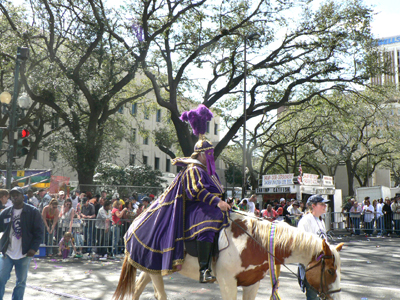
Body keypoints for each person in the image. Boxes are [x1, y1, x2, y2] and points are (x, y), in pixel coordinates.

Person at [124, 104, 230, 283]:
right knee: (209, 222)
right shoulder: (193, 169)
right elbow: (195, 190)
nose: (212, 155)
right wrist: (216, 202)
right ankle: (204, 269)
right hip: (196, 208)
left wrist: (223, 201)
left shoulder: (209, 172)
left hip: (209, 205)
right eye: (209, 153)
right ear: (202, 154)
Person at [0, 186, 44, 299]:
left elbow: (39, 232)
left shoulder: (32, 212)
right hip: (7, 253)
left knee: (20, 282)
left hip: (24, 253)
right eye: (13, 195)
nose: (15, 197)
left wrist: (33, 248)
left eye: (17, 195)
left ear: (22, 196)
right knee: (1, 279)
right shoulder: (6, 213)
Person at [297, 194, 329, 300]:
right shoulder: (305, 220)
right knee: (313, 296)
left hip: (321, 264)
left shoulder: (320, 220)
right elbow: (301, 242)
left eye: (325, 204)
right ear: (313, 206)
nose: (325, 206)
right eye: (322, 204)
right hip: (310, 264)